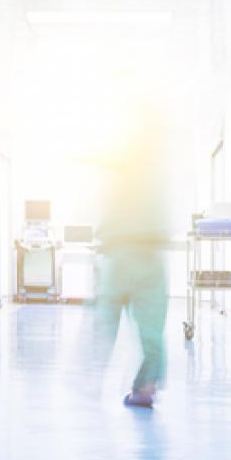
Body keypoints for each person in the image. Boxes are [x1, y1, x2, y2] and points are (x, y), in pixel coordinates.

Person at [95, 106, 174, 409]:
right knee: (152, 329)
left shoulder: (121, 168)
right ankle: (146, 388)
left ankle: (95, 378)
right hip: (149, 253)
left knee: (106, 321)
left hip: (123, 251)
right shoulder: (155, 170)